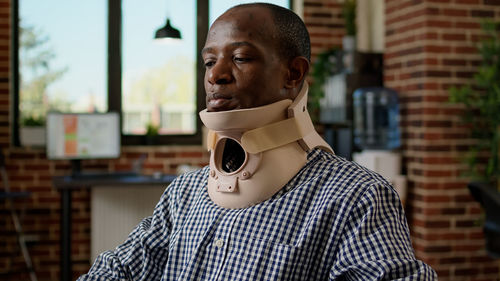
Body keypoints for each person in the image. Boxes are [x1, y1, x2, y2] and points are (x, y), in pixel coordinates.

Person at [79, 3, 436, 280]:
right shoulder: (184, 194)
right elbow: (120, 269)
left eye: (239, 58)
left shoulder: (355, 198)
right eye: (208, 61)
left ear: (293, 74)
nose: (216, 76)